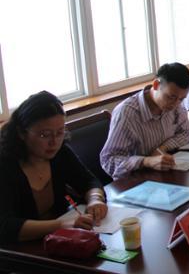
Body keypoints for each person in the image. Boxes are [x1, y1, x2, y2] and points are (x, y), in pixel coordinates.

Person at [0, 91, 108, 244]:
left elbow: (89, 181)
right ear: (21, 133)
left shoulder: (60, 153)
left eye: (60, 132)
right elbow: (5, 226)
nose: (54, 142)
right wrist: (61, 225)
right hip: (19, 248)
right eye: (44, 135)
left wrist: (95, 200)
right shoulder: (5, 165)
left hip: (58, 240)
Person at [100, 63, 189, 179]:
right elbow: (109, 160)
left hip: (163, 174)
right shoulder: (127, 113)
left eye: (181, 99)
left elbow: (186, 133)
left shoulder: (175, 104)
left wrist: (162, 148)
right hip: (134, 180)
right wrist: (146, 161)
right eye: (171, 97)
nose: (176, 104)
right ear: (156, 85)